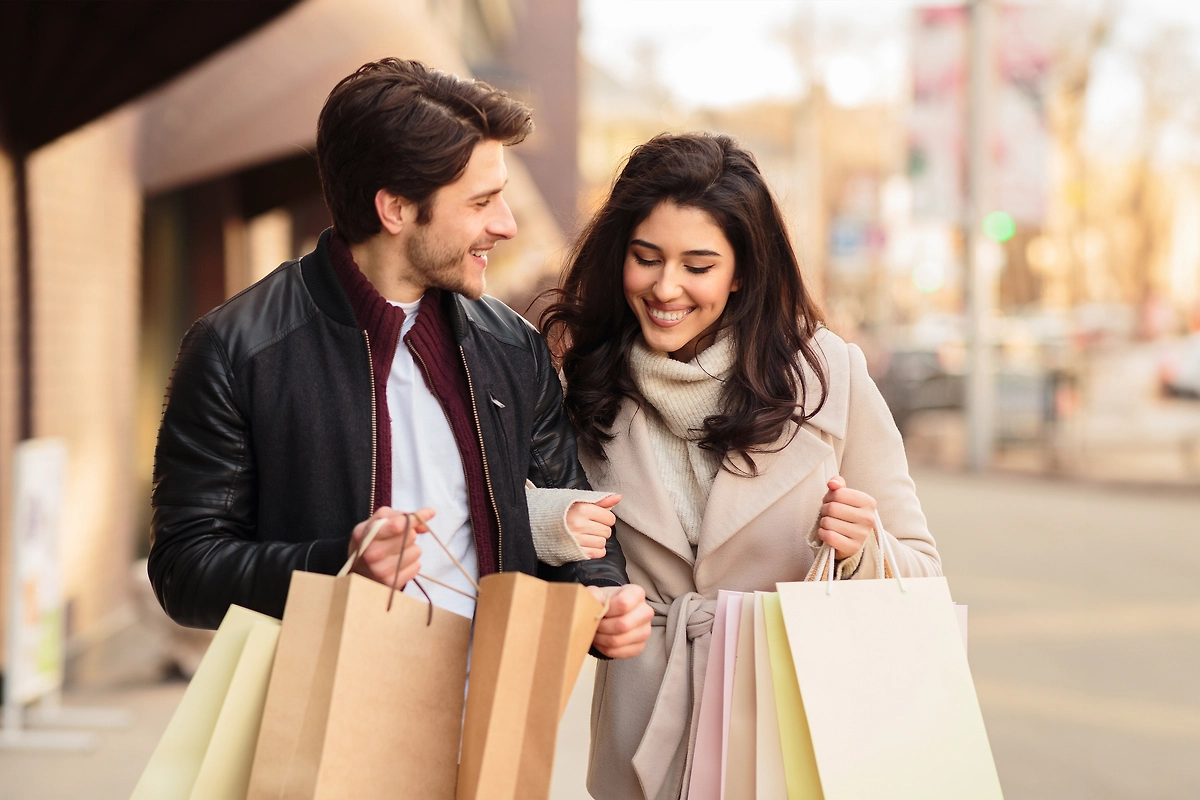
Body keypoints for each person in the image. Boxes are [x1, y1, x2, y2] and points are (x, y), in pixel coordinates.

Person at [148, 58, 652, 662]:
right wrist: (336, 565)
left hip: (495, 710)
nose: (507, 224)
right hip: (324, 716)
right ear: (395, 209)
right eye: (482, 201)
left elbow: (571, 516)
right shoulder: (237, 349)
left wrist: (601, 600)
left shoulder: (513, 349)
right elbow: (185, 569)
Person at [541, 132, 943, 799]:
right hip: (646, 742)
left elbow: (921, 574)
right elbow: (542, 552)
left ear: (743, 271)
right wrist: (594, 608)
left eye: (698, 265)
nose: (666, 287)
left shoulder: (828, 376)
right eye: (646, 258)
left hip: (792, 732)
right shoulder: (579, 382)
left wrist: (860, 548)